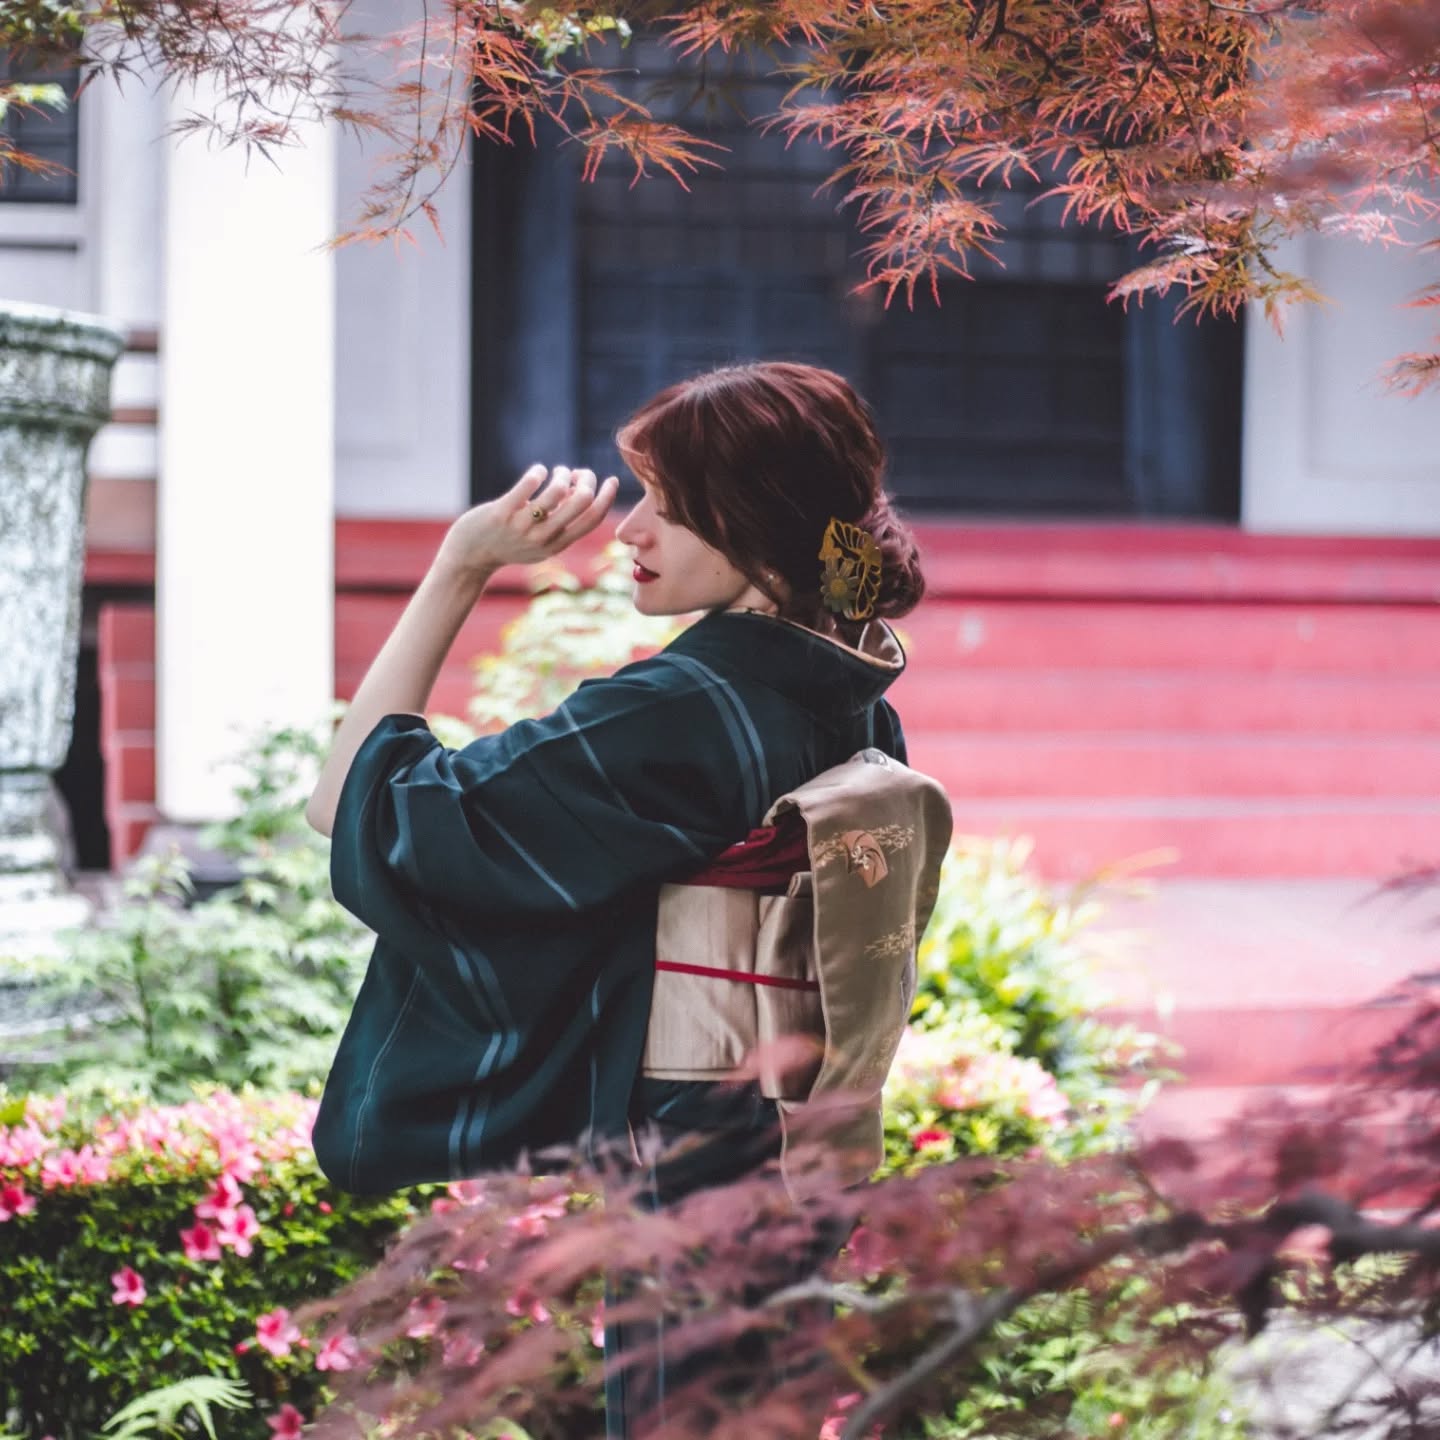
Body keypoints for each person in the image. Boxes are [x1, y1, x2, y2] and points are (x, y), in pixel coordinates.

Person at [305, 360, 940, 1433]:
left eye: (668, 507)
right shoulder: (850, 684)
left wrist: (461, 566)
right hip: (799, 1140)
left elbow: (357, 805)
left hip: (692, 1158)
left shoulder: (686, 706)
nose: (629, 531)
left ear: (751, 524)